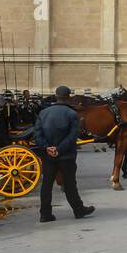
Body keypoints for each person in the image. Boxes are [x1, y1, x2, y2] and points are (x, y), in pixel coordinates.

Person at [34, 86, 94, 223]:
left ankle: (45, 214)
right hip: (66, 156)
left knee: (47, 185)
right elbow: (72, 136)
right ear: (68, 97)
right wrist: (59, 149)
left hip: (48, 155)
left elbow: (37, 134)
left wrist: (48, 148)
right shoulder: (72, 114)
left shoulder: (44, 113)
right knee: (70, 184)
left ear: (56, 96)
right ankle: (78, 210)